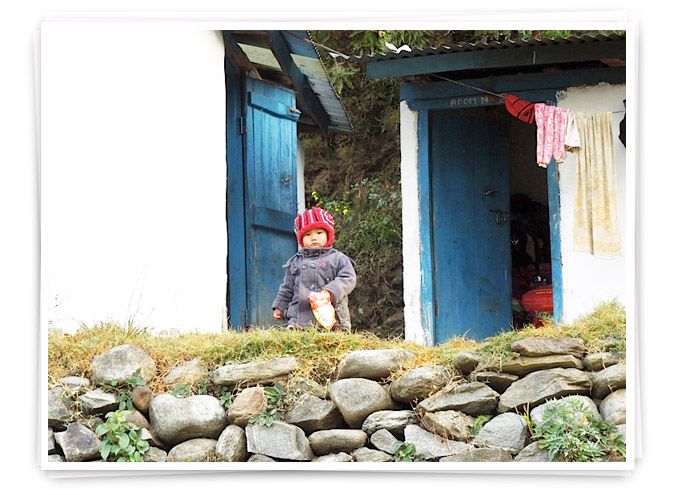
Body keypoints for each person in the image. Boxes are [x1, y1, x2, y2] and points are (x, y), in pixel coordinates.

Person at [272, 206, 357, 331]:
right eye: (308, 234)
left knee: (331, 340)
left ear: (328, 234)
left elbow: (348, 278)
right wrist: (280, 306)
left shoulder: (338, 258)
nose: (314, 237)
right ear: (301, 239)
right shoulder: (295, 262)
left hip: (333, 320)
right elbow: (287, 288)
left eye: (319, 233)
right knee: (298, 340)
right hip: (299, 321)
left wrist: (330, 292)